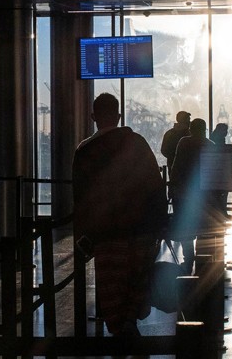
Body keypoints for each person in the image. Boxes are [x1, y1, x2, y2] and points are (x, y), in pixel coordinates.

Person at [72, 93, 167, 337]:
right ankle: (130, 324)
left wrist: (84, 236)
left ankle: (122, 331)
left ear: (93, 117)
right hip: (141, 230)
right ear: (119, 115)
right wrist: (160, 223)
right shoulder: (136, 143)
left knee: (113, 287)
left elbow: (81, 199)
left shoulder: (84, 151)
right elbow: (154, 185)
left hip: (106, 235)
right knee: (136, 283)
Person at [168, 117, 216, 273]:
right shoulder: (210, 145)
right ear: (204, 129)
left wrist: (172, 187)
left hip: (183, 192)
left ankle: (188, 259)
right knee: (203, 226)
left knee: (186, 227)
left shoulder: (184, 142)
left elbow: (177, 166)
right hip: (204, 195)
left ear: (191, 129)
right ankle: (203, 261)